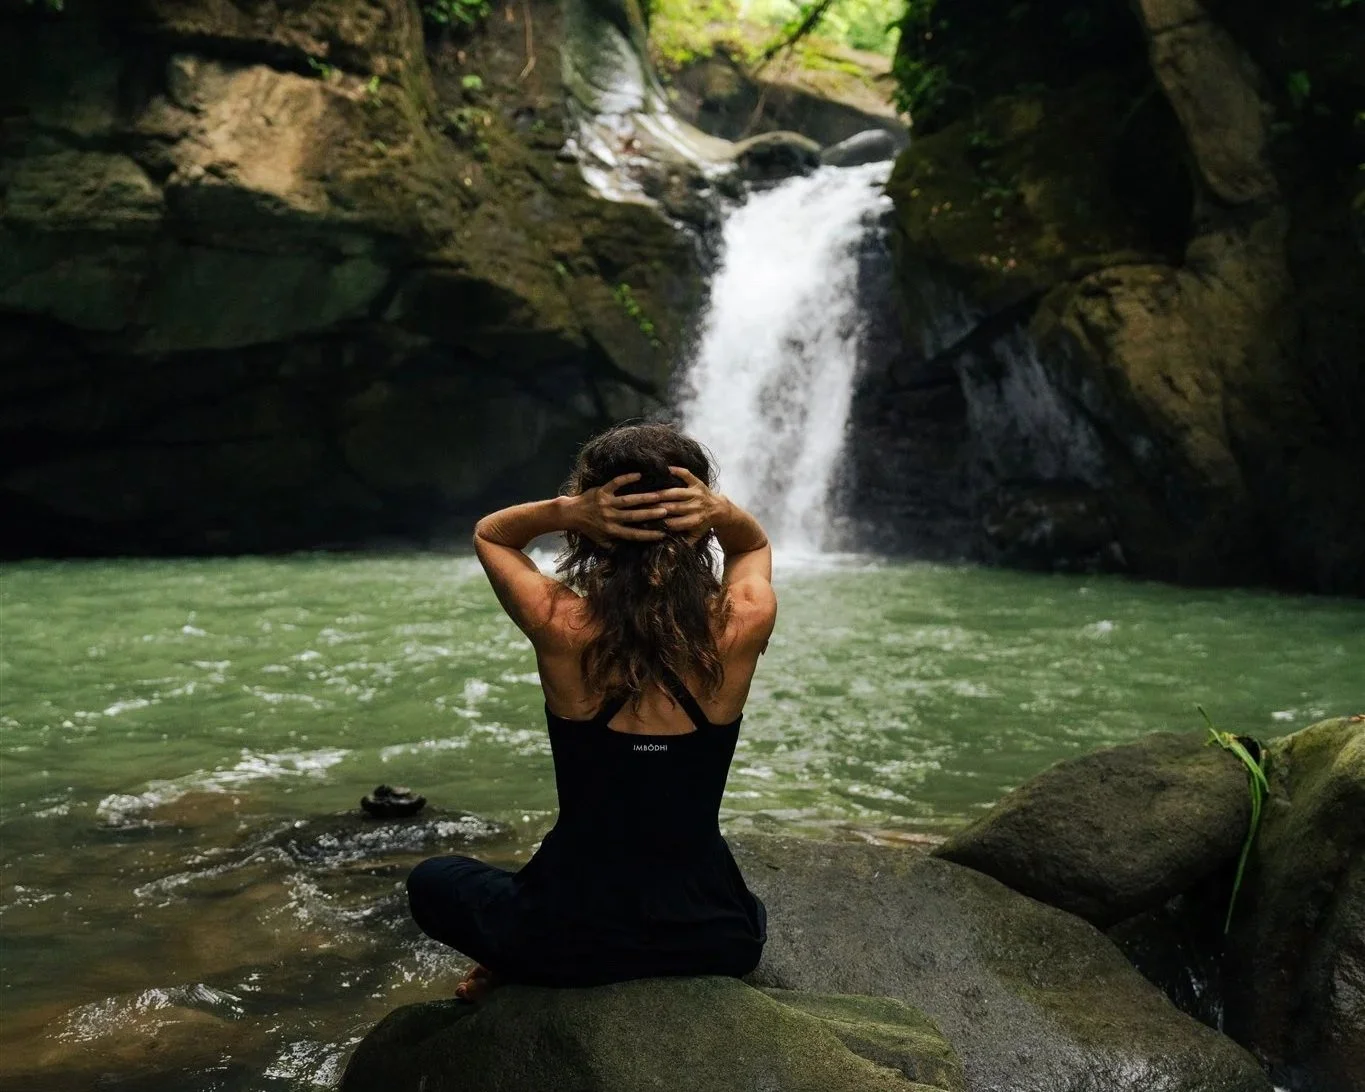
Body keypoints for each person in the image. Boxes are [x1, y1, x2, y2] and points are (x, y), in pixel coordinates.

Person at [406, 423, 777, 999]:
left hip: (567, 938)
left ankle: (508, 959)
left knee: (433, 880)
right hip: (715, 938)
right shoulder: (741, 622)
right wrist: (721, 513)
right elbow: (751, 546)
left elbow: (492, 535)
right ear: (697, 520)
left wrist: (565, 510)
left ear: (593, 521)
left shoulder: (562, 625)